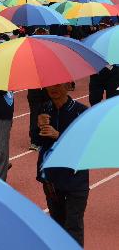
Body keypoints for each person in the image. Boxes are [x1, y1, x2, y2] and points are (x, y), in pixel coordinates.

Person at [36, 82, 89, 245]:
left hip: (76, 180)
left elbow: (85, 146)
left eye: (59, 84)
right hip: (51, 179)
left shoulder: (82, 112)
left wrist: (58, 135)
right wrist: (38, 126)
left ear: (68, 85)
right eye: (50, 85)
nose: (54, 88)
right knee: (57, 226)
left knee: (73, 226)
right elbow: (36, 140)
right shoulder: (44, 110)